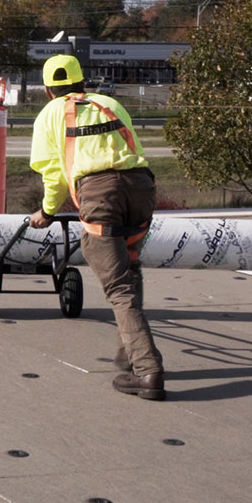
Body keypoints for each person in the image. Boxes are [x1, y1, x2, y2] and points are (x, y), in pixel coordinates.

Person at [26, 53, 165, 400]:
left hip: (101, 195)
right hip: (141, 188)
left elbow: (54, 175)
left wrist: (46, 211)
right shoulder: (109, 103)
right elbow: (132, 148)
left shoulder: (50, 115)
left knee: (118, 287)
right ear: (81, 83)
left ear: (47, 90)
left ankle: (147, 370)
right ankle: (128, 356)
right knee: (130, 268)